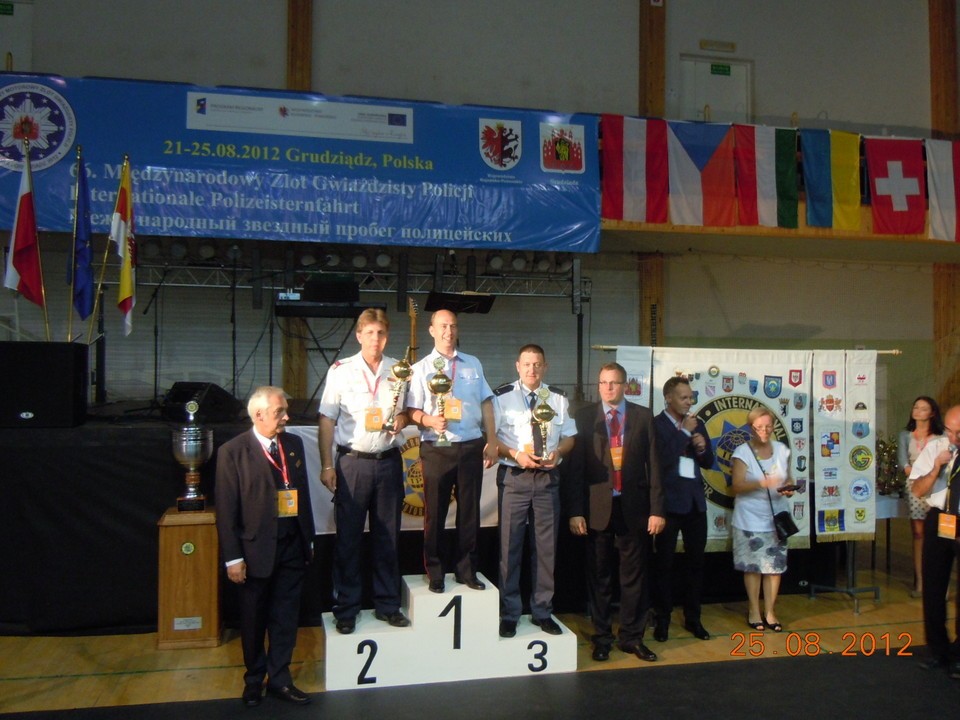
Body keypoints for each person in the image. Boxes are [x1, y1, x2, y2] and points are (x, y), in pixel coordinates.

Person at [215, 386, 316, 707]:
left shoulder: (294, 444)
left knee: (285, 618)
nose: (286, 417)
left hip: (292, 548)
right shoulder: (233, 452)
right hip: (254, 552)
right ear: (258, 415)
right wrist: (233, 558)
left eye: (285, 411)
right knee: (253, 619)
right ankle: (254, 679)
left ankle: (280, 679)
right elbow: (226, 510)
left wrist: (308, 539)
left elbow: (302, 495)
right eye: (279, 412)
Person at [318, 308, 411, 635]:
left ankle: (388, 605)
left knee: (388, 539)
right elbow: (327, 418)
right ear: (359, 336)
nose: (375, 339)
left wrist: (402, 420)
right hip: (352, 464)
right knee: (348, 540)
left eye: (381, 333)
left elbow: (408, 413)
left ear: (387, 336)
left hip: (388, 461)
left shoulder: (399, 369)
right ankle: (346, 609)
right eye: (369, 333)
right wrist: (327, 464)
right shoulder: (341, 370)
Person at [566, 362, 665, 663]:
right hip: (596, 511)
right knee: (600, 578)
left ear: (625, 386)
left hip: (633, 509)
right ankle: (602, 638)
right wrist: (575, 511)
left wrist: (657, 510)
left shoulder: (643, 417)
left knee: (634, 579)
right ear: (598, 386)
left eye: (614, 382)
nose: (608, 387)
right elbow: (575, 470)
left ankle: (632, 638)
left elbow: (655, 466)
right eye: (603, 383)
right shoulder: (584, 417)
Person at [406, 308, 498, 593]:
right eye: (443, 326)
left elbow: (486, 402)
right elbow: (411, 411)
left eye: (453, 326)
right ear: (432, 330)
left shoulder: (473, 363)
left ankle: (466, 570)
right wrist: (429, 420)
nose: (449, 331)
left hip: (470, 444)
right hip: (436, 448)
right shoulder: (420, 368)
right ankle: (435, 571)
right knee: (435, 513)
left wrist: (492, 439)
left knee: (469, 512)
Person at [492, 344, 576, 638]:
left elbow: (569, 436)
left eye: (537, 364)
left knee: (546, 550)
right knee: (509, 548)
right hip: (514, 478)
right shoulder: (501, 397)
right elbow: (492, 439)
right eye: (527, 364)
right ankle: (509, 613)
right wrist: (516, 454)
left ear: (545, 367)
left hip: (546, 480)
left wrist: (559, 453)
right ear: (518, 366)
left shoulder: (558, 398)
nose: (532, 369)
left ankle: (542, 611)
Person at [651, 376, 714, 642]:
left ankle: (693, 618)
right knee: (664, 565)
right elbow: (661, 460)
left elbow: (709, 462)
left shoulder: (697, 423)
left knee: (695, 564)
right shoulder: (656, 424)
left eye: (691, 397)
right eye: (683, 397)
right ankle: (662, 619)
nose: (689, 402)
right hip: (668, 505)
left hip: (695, 504)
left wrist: (702, 448)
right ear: (668, 398)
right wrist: (684, 434)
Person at [729, 406, 794, 634]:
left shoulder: (782, 450)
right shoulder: (742, 452)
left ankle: (770, 611)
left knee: (774, 569)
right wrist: (761, 483)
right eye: (759, 427)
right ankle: (754, 610)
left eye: (768, 426)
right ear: (751, 428)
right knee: (754, 567)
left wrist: (789, 488)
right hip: (749, 519)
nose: (764, 431)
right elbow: (736, 486)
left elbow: (788, 478)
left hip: (776, 519)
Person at [908, 403, 960, 679]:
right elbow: (917, 490)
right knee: (933, 585)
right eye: (950, 431)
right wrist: (936, 468)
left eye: (959, 433)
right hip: (939, 517)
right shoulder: (935, 448)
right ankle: (938, 650)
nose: (953, 437)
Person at [898, 396, 944, 598]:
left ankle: (939, 583)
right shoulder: (905, 436)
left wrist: (931, 475)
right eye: (915, 407)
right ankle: (920, 581)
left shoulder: (941, 437)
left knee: (939, 533)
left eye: (923, 408)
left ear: (932, 413)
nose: (917, 411)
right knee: (918, 534)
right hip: (914, 485)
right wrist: (921, 474)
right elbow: (904, 464)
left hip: (937, 485)